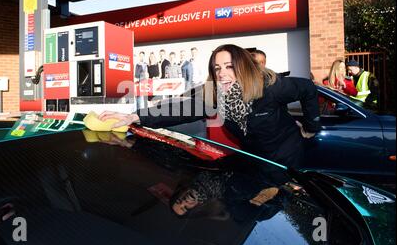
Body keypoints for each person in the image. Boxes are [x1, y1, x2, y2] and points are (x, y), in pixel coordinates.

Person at [98, 44, 321, 169]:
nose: (222, 73)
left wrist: (310, 126)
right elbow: (181, 110)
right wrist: (135, 116)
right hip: (255, 158)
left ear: (242, 67)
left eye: (229, 66)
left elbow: (307, 89)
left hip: (287, 156)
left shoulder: (270, 87)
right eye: (217, 68)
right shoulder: (217, 96)